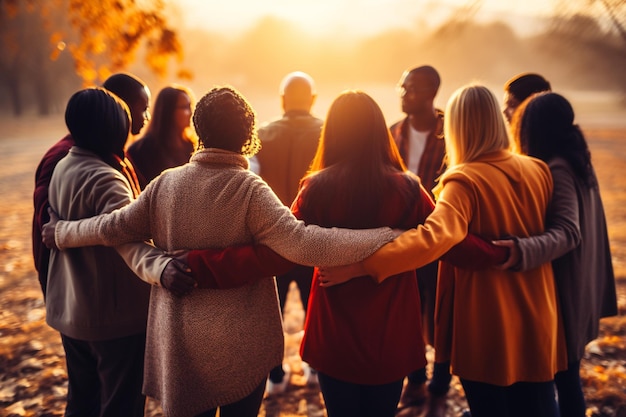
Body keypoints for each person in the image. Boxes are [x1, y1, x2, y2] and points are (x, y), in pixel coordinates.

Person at [42, 86, 400, 417]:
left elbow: (109, 227)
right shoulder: (250, 190)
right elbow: (306, 243)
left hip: (179, 343)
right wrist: (384, 235)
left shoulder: (166, 184)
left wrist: (61, 232)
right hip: (243, 344)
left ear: (199, 130)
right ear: (248, 135)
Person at [320, 84, 567, 417]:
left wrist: (365, 265)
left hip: (488, 316)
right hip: (540, 314)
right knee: (537, 405)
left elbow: (435, 237)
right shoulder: (538, 170)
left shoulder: (463, 180)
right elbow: (560, 235)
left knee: (492, 408)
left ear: (457, 127)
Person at [45, 87, 195, 417]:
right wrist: (163, 269)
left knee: (82, 401)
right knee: (121, 404)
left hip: (71, 310)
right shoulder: (104, 177)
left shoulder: (65, 165)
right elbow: (128, 240)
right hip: (111, 317)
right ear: (112, 127)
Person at [494, 92, 618, 417]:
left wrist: (522, 250)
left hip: (566, 295)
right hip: (580, 290)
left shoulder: (559, 169)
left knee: (563, 381)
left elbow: (568, 232)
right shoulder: (577, 159)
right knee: (568, 379)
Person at [32, 72, 151, 298]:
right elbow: (48, 225)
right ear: (116, 108)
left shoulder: (112, 151)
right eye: (142, 107)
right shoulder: (65, 156)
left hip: (104, 285)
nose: (147, 116)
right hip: (77, 287)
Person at [254, 71, 323, 392]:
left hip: (274, 237)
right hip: (314, 236)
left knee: (272, 312)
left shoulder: (263, 135)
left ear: (283, 100)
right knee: (316, 307)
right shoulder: (327, 133)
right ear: (312, 100)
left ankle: (275, 374)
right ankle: (314, 369)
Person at [389, 65, 450, 416]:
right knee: (408, 309)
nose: (402, 93)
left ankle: (440, 381)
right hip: (401, 239)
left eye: (409, 88)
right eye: (401, 86)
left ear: (429, 93)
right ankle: (416, 379)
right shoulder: (391, 133)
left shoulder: (451, 133)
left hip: (441, 239)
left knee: (440, 312)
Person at [127, 84, 197, 189]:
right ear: (168, 111)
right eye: (185, 107)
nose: (191, 112)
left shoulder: (191, 146)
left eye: (190, 106)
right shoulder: (141, 150)